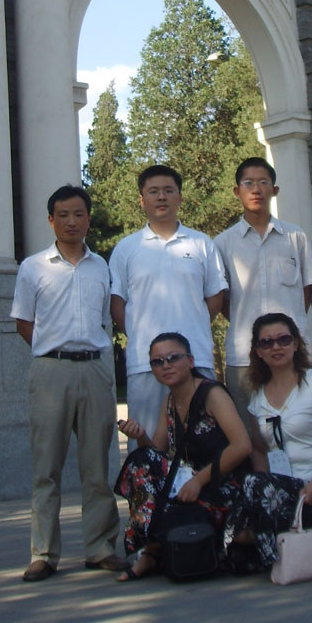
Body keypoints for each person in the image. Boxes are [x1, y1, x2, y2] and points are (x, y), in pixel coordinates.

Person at [11, 185, 127, 581]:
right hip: (51, 371)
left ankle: (100, 547)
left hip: (95, 369)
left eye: (79, 214)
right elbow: (24, 323)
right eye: (63, 215)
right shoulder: (33, 267)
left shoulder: (101, 267)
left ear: (88, 219)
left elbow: (105, 319)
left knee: (97, 466)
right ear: (51, 220)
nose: (71, 222)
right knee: (47, 467)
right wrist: (53, 350)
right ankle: (43, 553)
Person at [114, 332, 252, 580]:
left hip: (221, 483)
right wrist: (140, 436)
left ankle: (153, 550)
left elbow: (242, 446)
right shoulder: (169, 401)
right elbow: (155, 455)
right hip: (189, 484)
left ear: (190, 361)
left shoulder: (212, 394)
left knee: (145, 466)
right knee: (139, 460)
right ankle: (151, 548)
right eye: (158, 362)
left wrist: (199, 481)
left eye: (173, 358)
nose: (166, 365)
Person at [109, 165, 227, 443]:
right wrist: (140, 334)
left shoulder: (202, 243)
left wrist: (193, 323)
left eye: (168, 190)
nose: (161, 197)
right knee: (148, 443)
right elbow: (117, 303)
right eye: (153, 191)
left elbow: (215, 297)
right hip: (145, 363)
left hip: (195, 358)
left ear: (179, 197)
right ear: (142, 199)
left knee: (202, 443)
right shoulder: (127, 248)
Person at [231, 312, 312, 570]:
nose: (276, 347)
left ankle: (267, 555)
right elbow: (259, 450)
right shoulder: (258, 396)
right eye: (267, 343)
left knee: (250, 496)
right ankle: (264, 542)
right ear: (258, 351)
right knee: (246, 491)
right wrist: (265, 487)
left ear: (296, 344)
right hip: (280, 490)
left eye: (284, 340)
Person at [213, 157, 312, 424]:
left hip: (292, 353)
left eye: (263, 182)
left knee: (299, 426)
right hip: (244, 355)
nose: (256, 189)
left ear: (275, 190)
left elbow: (306, 290)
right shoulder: (223, 244)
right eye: (248, 183)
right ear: (237, 191)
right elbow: (223, 300)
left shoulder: (296, 237)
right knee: (249, 432)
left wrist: (288, 330)